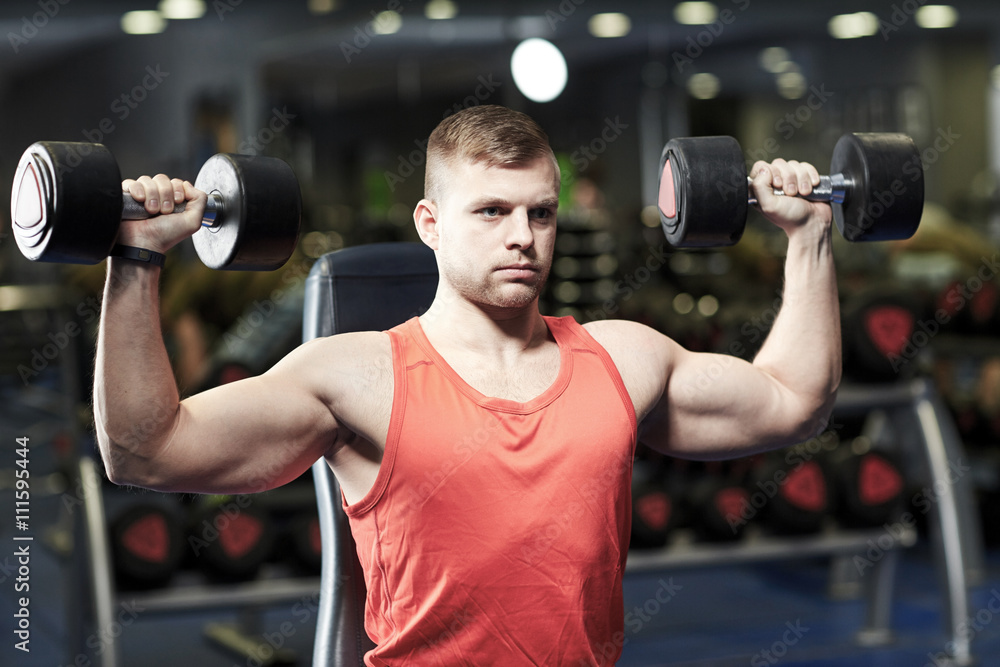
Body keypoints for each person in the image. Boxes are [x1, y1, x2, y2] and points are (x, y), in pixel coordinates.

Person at [95, 105, 840, 665]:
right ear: (430, 222)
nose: (523, 235)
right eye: (491, 211)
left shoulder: (622, 357)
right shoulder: (357, 375)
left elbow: (793, 400)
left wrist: (808, 240)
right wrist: (135, 261)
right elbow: (147, 450)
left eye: (539, 212)